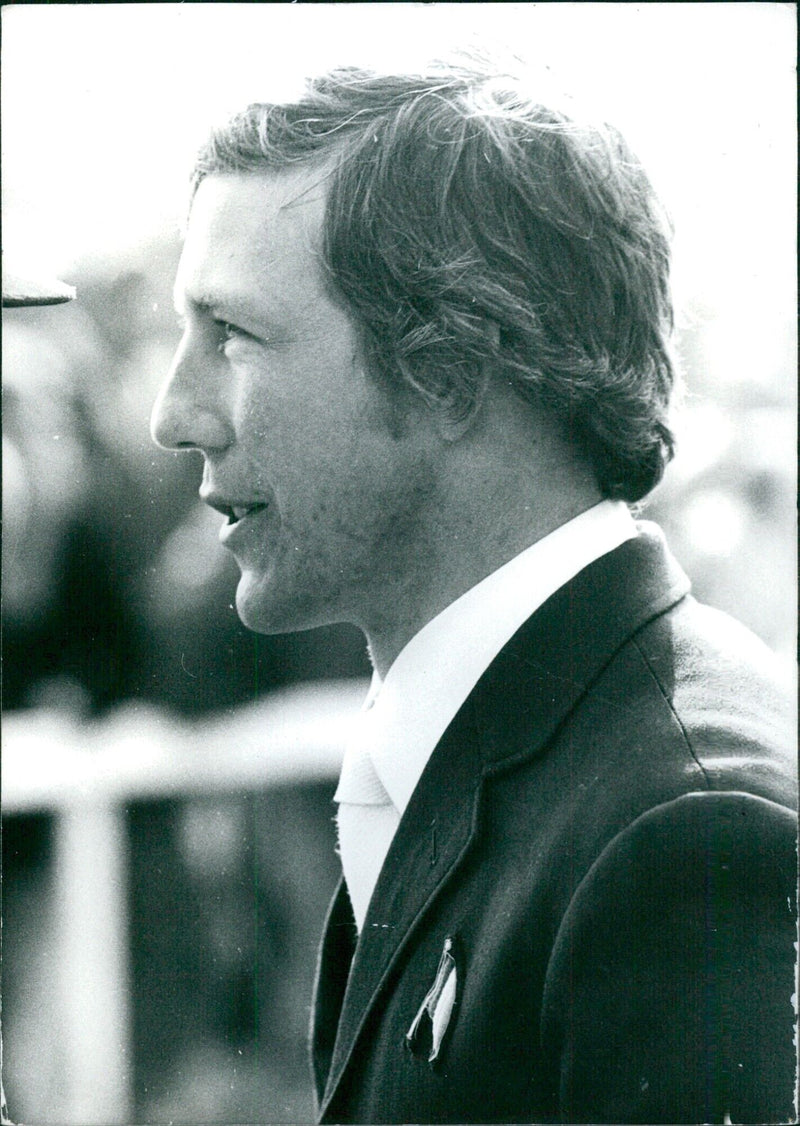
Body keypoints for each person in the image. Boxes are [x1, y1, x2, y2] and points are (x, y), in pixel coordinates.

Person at [150, 60, 797, 1125]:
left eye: (233, 335)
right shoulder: (568, 750)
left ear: (449, 370)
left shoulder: (687, 834)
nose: (174, 413)